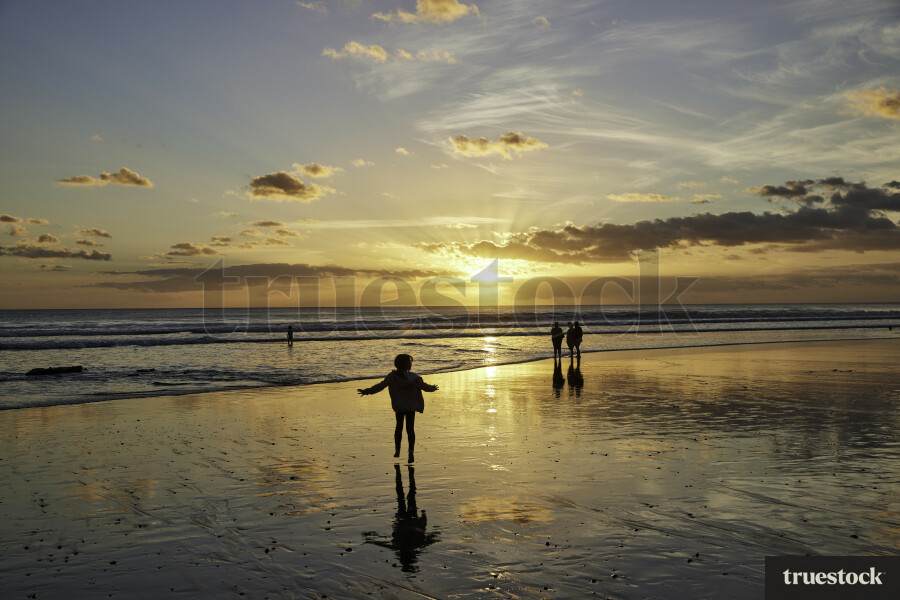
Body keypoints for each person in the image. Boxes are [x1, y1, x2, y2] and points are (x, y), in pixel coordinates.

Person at [358, 354, 439, 463]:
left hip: (399, 406)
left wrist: (367, 391)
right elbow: (425, 387)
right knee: (410, 429)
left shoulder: (392, 376)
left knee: (399, 427)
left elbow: (380, 386)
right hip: (410, 406)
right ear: (405, 364)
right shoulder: (414, 377)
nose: (411, 364)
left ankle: (397, 449)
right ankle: (411, 451)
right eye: (409, 362)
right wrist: (432, 388)